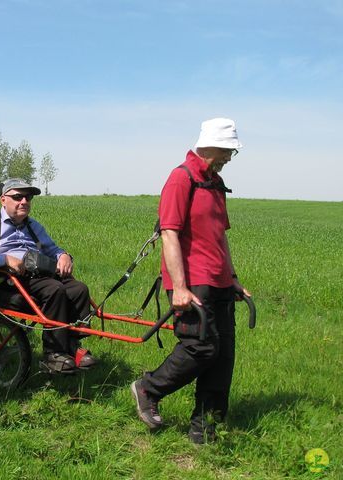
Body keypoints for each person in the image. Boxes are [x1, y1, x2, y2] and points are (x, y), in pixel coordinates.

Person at [131, 118, 252, 444]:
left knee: (223, 355)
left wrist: (234, 278)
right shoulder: (180, 179)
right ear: (211, 144)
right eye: (228, 150)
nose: (229, 156)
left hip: (220, 282)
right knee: (200, 348)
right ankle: (148, 388)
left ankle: (205, 429)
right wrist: (179, 287)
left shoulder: (215, 183)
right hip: (192, 281)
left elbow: (220, 238)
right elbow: (170, 234)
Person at [0, 178, 96, 374]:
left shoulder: (33, 226)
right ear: (3, 200)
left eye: (28, 197)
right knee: (55, 290)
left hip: (37, 276)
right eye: (17, 197)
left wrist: (63, 255)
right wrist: (4, 260)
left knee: (78, 289)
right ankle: (53, 354)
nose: (24, 201)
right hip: (6, 280)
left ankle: (71, 344)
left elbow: (52, 248)